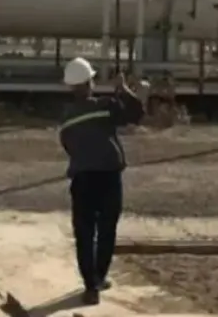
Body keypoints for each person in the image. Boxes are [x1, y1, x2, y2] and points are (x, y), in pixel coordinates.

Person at [57, 56, 147, 305]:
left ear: (70, 85)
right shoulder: (105, 106)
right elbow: (137, 113)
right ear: (90, 82)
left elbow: (68, 144)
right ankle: (99, 277)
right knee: (107, 229)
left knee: (84, 232)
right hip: (108, 176)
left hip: (82, 179)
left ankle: (91, 286)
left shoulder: (66, 116)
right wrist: (123, 89)